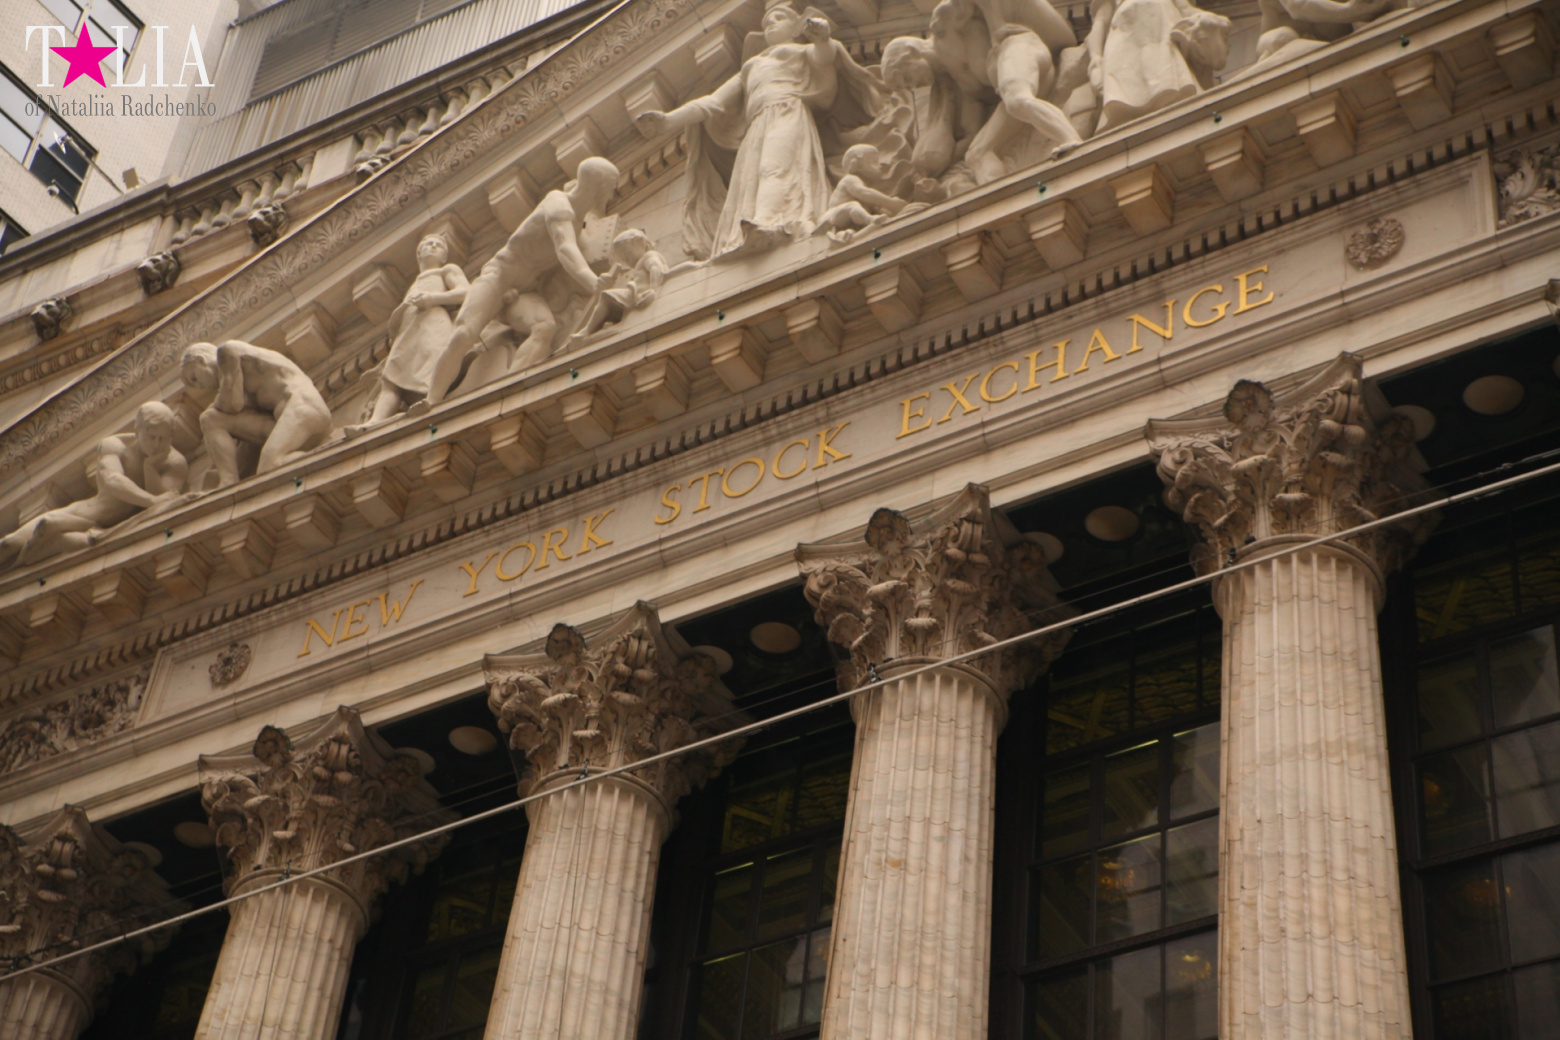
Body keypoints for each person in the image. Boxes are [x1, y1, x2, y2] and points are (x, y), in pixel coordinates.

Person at [634, 2, 889, 260]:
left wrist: (822, 39)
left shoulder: (799, 52)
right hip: (758, 125)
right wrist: (668, 120)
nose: (770, 23)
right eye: (767, 21)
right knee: (750, 178)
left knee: (775, 167)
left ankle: (770, 223)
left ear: (796, 26)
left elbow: (823, 59)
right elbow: (713, 103)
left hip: (787, 112)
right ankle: (747, 229)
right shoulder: (751, 67)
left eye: (779, 17)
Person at [412, 157, 620, 413]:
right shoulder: (559, 204)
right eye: (610, 186)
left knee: (545, 327)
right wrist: (593, 282)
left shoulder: (576, 218)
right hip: (497, 280)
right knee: (465, 333)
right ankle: (432, 400)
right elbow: (566, 250)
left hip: (524, 291)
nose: (612, 193)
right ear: (599, 185)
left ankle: (509, 389)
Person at [0, 402, 194, 569]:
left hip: (95, 528)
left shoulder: (175, 463)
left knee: (41, 546)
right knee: (9, 544)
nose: (157, 444)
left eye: (163, 438)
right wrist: (152, 500)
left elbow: (164, 506)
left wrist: (149, 467)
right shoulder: (115, 445)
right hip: (81, 515)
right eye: (152, 437)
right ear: (138, 430)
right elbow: (114, 481)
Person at [180, 341, 334, 488]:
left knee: (270, 466)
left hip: (304, 408)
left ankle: (327, 459)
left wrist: (214, 406)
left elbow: (233, 404)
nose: (199, 386)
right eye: (194, 385)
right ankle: (228, 482)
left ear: (201, 360)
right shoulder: (244, 386)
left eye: (194, 378)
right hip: (282, 422)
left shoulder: (228, 352)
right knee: (210, 419)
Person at [360, 233, 469, 426]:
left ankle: (431, 400)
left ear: (444, 256)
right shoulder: (417, 281)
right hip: (408, 330)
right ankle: (375, 421)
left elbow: (466, 292)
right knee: (391, 378)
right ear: (419, 254)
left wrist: (433, 299)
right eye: (428, 244)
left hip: (433, 324)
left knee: (431, 360)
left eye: (438, 245)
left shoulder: (446, 271)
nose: (433, 246)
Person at [1084, 0, 1230, 133]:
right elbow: (1100, 23)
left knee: (1169, 90)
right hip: (1125, 38)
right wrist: (1096, 60)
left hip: (1160, 34)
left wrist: (1209, 18)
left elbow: (1186, 8)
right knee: (1122, 107)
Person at [566, 229, 670, 348]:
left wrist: (654, 289)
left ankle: (588, 330)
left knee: (606, 296)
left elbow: (656, 268)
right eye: (623, 258)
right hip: (635, 294)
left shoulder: (649, 256)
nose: (625, 259)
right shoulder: (640, 262)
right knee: (608, 299)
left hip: (639, 294)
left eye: (626, 254)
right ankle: (596, 327)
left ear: (639, 243)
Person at [815, 145, 913, 238]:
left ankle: (848, 234)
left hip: (845, 221)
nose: (880, 166)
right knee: (853, 205)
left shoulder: (864, 190)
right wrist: (891, 203)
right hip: (830, 218)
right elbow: (864, 193)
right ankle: (870, 220)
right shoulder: (850, 179)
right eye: (874, 162)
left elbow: (875, 207)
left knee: (858, 212)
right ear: (856, 165)